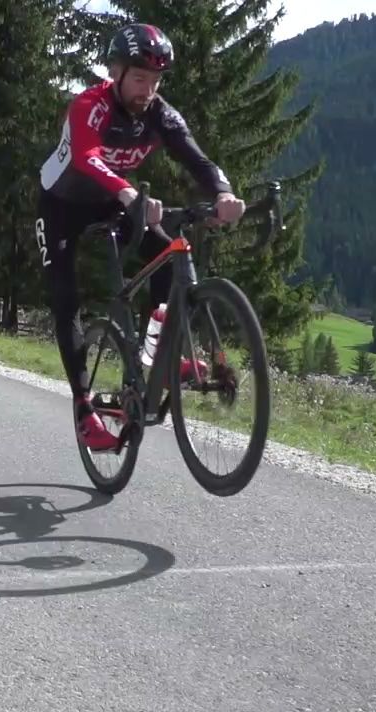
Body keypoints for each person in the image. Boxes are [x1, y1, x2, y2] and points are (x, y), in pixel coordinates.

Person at [36, 23, 246, 451]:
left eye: (155, 80)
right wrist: (129, 192)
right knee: (64, 299)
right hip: (59, 204)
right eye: (138, 78)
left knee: (165, 247)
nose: (147, 89)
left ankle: (158, 350)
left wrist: (224, 192)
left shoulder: (162, 114)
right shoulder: (90, 105)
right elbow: (86, 156)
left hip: (113, 197)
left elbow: (197, 159)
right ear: (116, 72)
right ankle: (84, 409)